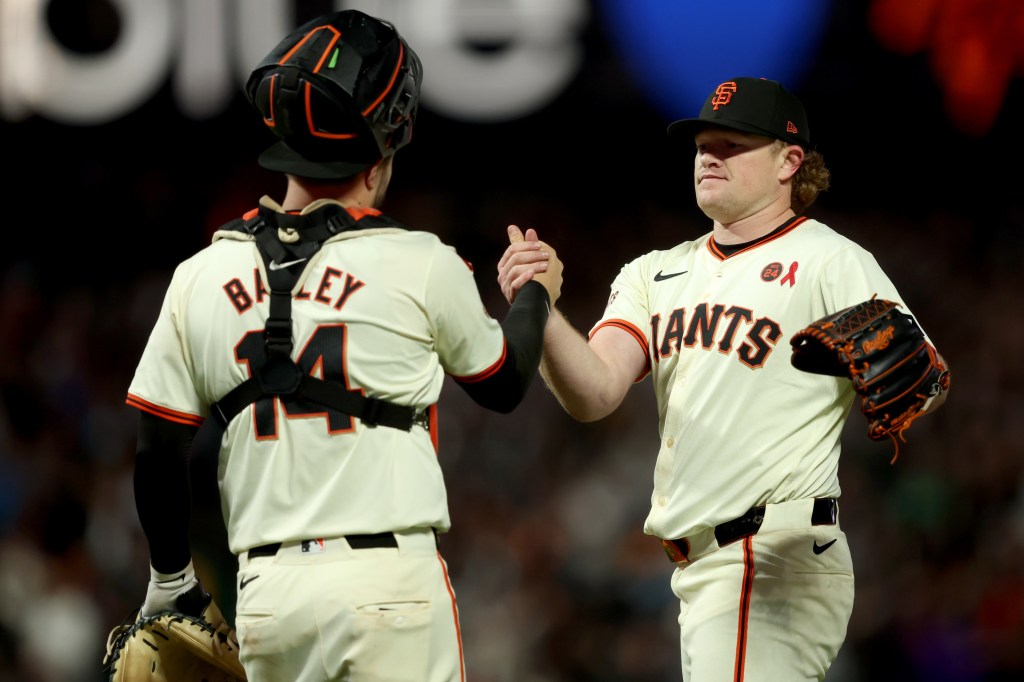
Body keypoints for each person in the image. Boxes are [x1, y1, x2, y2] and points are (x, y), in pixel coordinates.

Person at [123, 10, 561, 682]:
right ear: (389, 138)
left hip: (267, 598)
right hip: (389, 585)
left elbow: (157, 446)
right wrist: (535, 292)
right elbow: (503, 384)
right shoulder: (420, 260)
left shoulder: (200, 275)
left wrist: (170, 580)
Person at [497, 76, 950, 681]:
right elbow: (596, 392)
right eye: (702, 144)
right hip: (703, 570)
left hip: (770, 553)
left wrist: (911, 379)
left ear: (790, 162)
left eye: (733, 143)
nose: (709, 154)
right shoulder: (653, 273)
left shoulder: (829, 259)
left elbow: (925, 378)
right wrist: (545, 311)